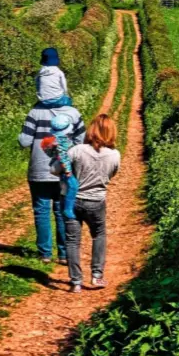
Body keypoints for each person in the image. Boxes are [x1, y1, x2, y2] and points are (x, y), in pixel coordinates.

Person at [19, 62, 85, 264]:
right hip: (64, 169)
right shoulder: (73, 113)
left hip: (39, 169)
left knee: (41, 210)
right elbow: (81, 141)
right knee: (61, 209)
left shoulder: (34, 113)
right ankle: (64, 253)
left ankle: (45, 253)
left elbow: (24, 141)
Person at [62, 114, 120, 293]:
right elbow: (111, 174)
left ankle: (76, 282)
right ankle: (96, 275)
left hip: (73, 200)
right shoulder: (114, 155)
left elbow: (56, 169)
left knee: (73, 241)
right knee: (99, 234)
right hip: (96, 200)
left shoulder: (76, 150)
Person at [40, 113, 80, 219]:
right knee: (73, 186)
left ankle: (68, 207)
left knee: (66, 187)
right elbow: (63, 157)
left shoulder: (57, 140)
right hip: (66, 169)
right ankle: (68, 208)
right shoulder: (62, 141)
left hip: (62, 168)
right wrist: (67, 170)